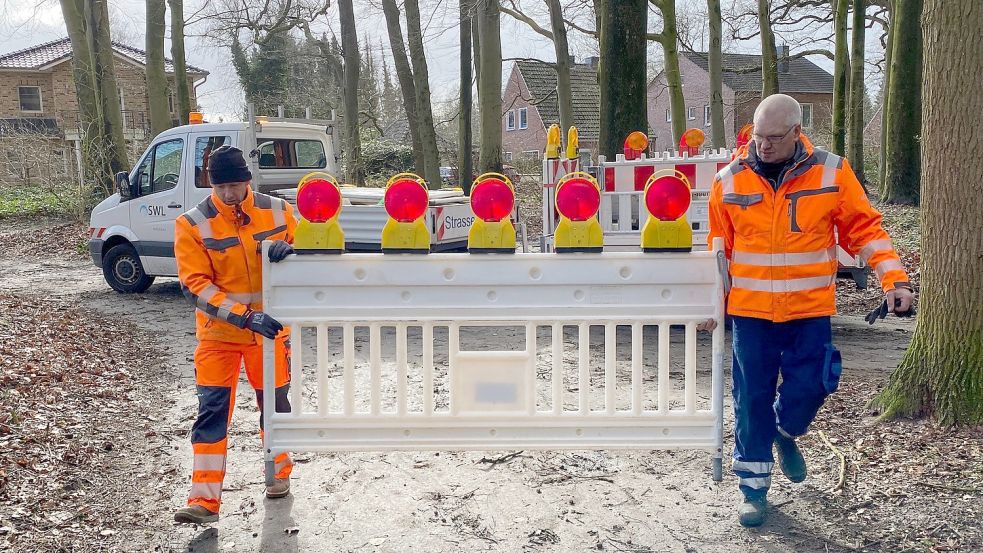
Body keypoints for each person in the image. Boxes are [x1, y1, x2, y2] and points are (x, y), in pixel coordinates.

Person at [699, 94, 913, 527]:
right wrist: (711, 306)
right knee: (750, 400)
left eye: (774, 138)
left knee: (815, 383)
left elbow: (864, 230)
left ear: (798, 132)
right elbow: (718, 253)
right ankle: (754, 490)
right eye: (758, 136)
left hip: (809, 311)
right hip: (751, 315)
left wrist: (894, 279)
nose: (764, 146)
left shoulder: (832, 171)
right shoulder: (729, 180)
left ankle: (786, 431)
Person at [172, 145, 299, 524]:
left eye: (236, 184)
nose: (229, 193)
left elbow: (311, 249)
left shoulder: (279, 211)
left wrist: (290, 250)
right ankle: (204, 499)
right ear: (211, 185)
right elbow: (195, 286)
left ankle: (278, 476)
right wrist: (246, 318)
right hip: (219, 336)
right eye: (221, 186)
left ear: (248, 179)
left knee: (276, 409)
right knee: (211, 412)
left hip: (271, 332)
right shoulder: (192, 223)